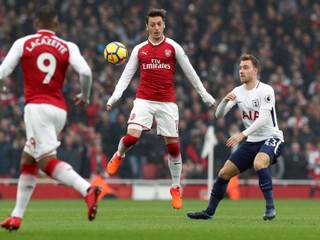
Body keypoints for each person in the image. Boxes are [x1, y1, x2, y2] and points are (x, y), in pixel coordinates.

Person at [0, 5, 101, 232]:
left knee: (45, 162)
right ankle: (16, 216)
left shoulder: (23, 43)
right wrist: (84, 97)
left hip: (37, 108)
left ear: (36, 24)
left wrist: (2, 87)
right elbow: (85, 73)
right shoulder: (68, 46)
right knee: (28, 159)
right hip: (59, 111)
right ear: (56, 25)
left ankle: (87, 190)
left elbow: (2, 73)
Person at [106, 8, 215, 209]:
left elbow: (191, 73)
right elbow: (126, 75)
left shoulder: (173, 48)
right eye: (152, 24)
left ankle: (175, 188)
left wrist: (206, 97)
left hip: (167, 103)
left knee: (173, 148)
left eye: (159, 24)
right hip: (144, 101)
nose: (156, 28)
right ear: (147, 26)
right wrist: (115, 96)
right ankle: (119, 155)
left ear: (164, 25)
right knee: (132, 137)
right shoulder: (140, 49)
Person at [187, 54, 284, 220]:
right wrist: (224, 100)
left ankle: (270, 209)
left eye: (245, 67)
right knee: (224, 173)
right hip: (252, 141)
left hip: (271, 137)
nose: (241, 71)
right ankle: (209, 212)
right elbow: (219, 115)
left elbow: (264, 119)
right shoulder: (237, 92)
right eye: (240, 68)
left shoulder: (266, 90)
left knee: (259, 163)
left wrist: (242, 135)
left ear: (255, 70)